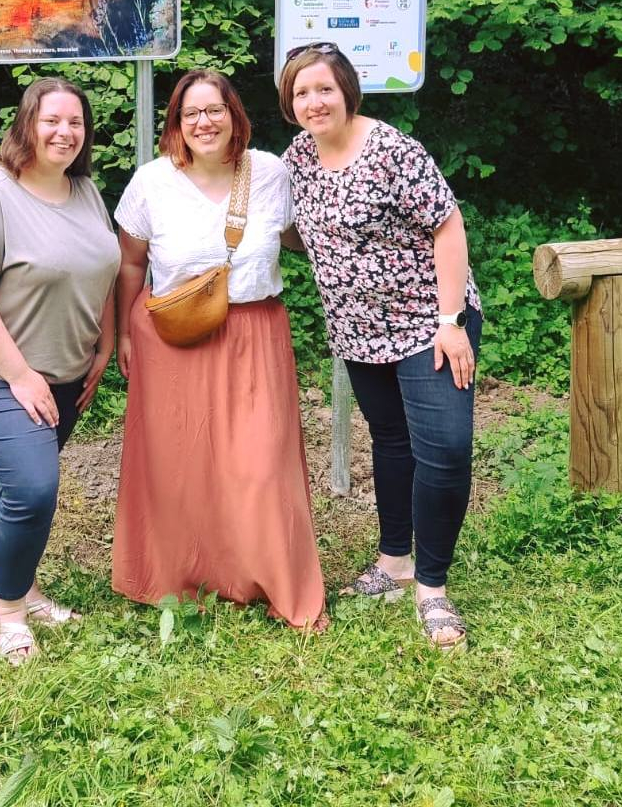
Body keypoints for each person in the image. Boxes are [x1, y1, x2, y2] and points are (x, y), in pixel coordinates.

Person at [279, 43, 483, 651]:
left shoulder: (392, 150)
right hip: (358, 330)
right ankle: (394, 561)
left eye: (324, 89)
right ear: (290, 104)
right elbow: (294, 229)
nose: (314, 102)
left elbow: (448, 226)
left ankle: (432, 587)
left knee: (445, 449)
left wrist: (451, 320)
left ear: (347, 91)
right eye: (301, 93)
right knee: (392, 442)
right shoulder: (297, 157)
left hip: (429, 323)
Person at [112, 69, 327, 630]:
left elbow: (307, 235)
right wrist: (124, 334)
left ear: (234, 115)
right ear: (176, 124)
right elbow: (131, 264)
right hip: (173, 336)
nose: (204, 122)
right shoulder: (152, 182)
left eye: (215, 110)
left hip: (255, 333)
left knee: (262, 464)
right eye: (191, 113)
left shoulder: (271, 173)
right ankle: (182, 577)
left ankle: (272, 578)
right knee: (181, 465)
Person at [0, 77, 119, 665]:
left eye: (76, 122)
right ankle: (9, 611)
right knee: (33, 489)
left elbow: (103, 267)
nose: (65, 132)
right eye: (51, 120)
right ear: (26, 126)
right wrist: (19, 375)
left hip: (65, 374)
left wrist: (106, 341)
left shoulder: (85, 190)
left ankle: (24, 588)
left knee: (16, 486)